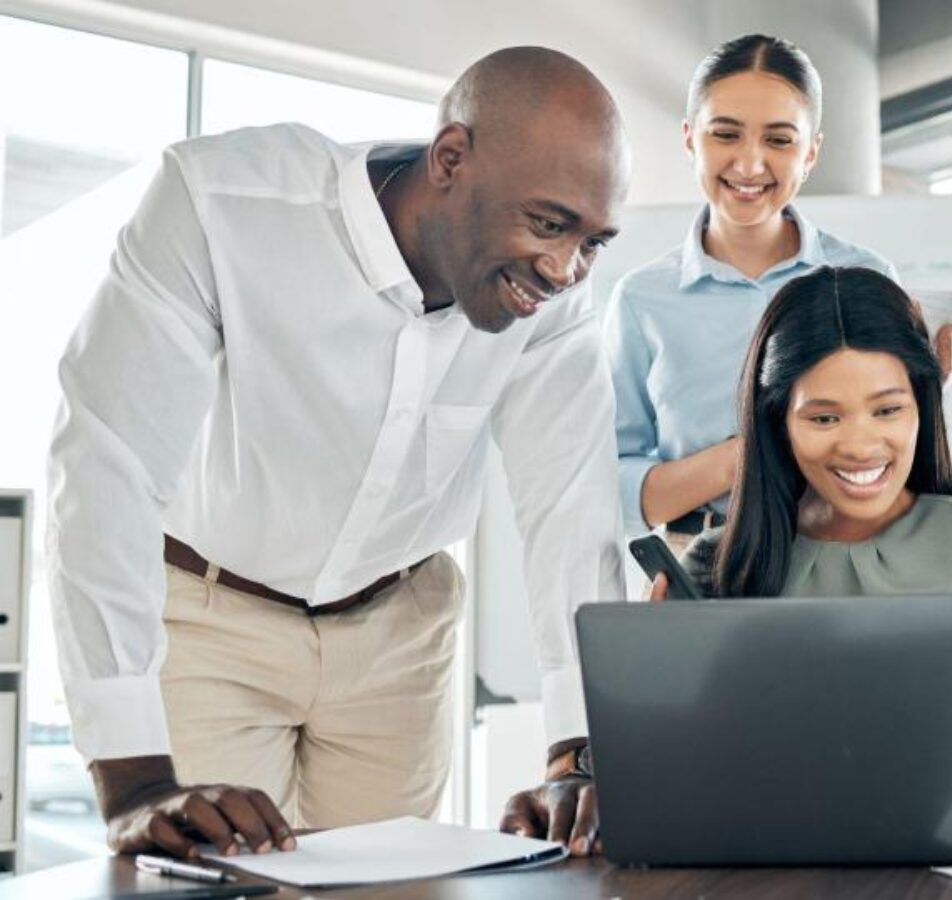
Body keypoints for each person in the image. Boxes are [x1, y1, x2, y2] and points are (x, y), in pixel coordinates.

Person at [48, 47, 630, 860]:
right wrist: (134, 779)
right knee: (212, 880)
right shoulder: (221, 201)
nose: (566, 268)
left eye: (593, 241)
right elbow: (107, 463)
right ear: (451, 159)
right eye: (547, 223)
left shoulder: (554, 296)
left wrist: (577, 751)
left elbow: (569, 504)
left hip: (399, 633)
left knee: (394, 890)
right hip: (211, 619)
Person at [505, 266, 952, 852]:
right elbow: (674, 777)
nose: (861, 444)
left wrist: (833, 777)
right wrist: (601, 761)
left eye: (888, 410)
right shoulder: (714, 565)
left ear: (922, 405)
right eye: (823, 417)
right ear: (777, 420)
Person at [603, 34, 900, 556]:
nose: (749, 163)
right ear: (691, 138)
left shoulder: (864, 277)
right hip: (702, 565)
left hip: (845, 558)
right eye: (726, 134)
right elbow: (613, 486)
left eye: (779, 141)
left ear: (811, 152)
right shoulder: (641, 301)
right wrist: (743, 458)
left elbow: (895, 450)